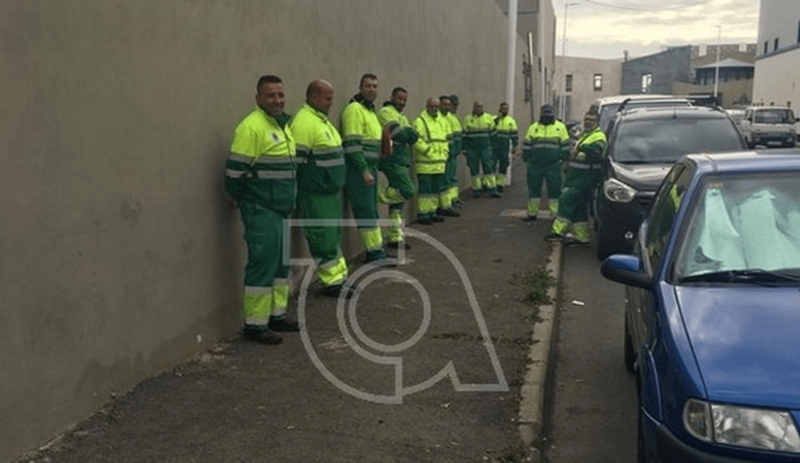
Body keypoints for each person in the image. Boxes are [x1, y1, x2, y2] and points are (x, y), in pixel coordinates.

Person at [224, 75, 299, 345]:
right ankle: (255, 325)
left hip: (280, 209)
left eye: (280, 95)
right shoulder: (251, 128)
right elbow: (234, 173)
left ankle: (277, 315)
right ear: (258, 99)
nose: (277, 100)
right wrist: (242, 199)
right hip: (261, 209)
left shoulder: (283, 126)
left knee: (280, 265)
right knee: (262, 266)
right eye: (271, 96)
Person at [290, 80, 350, 297]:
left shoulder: (322, 121)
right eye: (327, 99)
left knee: (332, 236)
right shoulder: (304, 123)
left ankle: (339, 278)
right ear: (313, 97)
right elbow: (296, 161)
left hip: (329, 192)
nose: (331, 103)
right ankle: (332, 282)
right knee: (322, 237)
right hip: (314, 193)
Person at [341, 73, 389, 263]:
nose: (372, 89)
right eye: (368, 86)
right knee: (365, 211)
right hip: (358, 170)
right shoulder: (354, 110)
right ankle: (374, 253)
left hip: (371, 168)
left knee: (372, 210)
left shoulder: (371, 112)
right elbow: (352, 145)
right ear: (360, 88)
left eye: (375, 86)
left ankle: (376, 250)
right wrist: (363, 169)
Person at [547, 111, 607, 245]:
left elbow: (596, 150)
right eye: (586, 119)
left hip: (585, 179)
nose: (588, 121)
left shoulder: (598, 136)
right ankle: (582, 236)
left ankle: (558, 232)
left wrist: (581, 147)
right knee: (579, 210)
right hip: (575, 177)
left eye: (591, 119)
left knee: (565, 200)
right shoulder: (585, 135)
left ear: (597, 122)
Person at [377, 87, 420, 250]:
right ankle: (378, 193)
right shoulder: (386, 112)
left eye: (404, 100)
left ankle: (395, 236)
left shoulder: (401, 116)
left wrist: (408, 133)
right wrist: (407, 133)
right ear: (392, 97)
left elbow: (414, 136)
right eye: (399, 99)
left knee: (398, 203)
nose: (402, 102)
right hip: (392, 160)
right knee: (407, 190)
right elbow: (398, 134)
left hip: (401, 160)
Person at [522, 104, 570, 221]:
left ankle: (555, 214)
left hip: (553, 165)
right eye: (545, 113)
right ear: (541, 114)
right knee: (533, 189)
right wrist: (527, 158)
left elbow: (565, 145)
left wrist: (563, 159)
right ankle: (532, 213)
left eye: (549, 113)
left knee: (554, 189)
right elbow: (527, 144)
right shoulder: (533, 127)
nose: (547, 115)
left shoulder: (560, 127)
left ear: (553, 114)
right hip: (535, 164)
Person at [412, 97, 450, 224]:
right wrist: (428, 151)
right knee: (425, 192)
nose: (434, 109)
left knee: (434, 191)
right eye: (432, 106)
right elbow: (417, 140)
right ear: (427, 106)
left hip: (439, 164)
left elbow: (444, 140)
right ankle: (423, 214)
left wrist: (445, 153)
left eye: (436, 107)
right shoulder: (420, 121)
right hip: (425, 164)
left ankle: (432, 212)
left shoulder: (441, 122)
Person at [463, 100, 499, 198]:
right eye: (477, 107)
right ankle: (476, 189)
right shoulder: (467, 119)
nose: (479, 108)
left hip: (485, 147)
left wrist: (493, 147)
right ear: (473, 108)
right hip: (472, 148)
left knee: (488, 167)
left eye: (480, 106)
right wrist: (465, 149)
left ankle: (492, 189)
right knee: (474, 169)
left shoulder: (488, 118)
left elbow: (493, 134)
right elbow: (464, 136)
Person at [439, 95, 465, 211]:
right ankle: (447, 203)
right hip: (447, 153)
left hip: (454, 153)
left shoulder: (453, 117)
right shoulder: (445, 117)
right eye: (452, 105)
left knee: (452, 178)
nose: (454, 107)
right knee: (446, 179)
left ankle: (454, 199)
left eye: (455, 105)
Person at [492, 102, 519, 193]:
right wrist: (496, 121)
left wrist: (515, 146)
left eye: (506, 109)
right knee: (492, 165)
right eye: (503, 108)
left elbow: (514, 135)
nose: (504, 110)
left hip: (504, 147)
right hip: (494, 147)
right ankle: (492, 184)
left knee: (503, 165)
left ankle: (500, 184)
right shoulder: (494, 119)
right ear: (499, 109)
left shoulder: (511, 121)